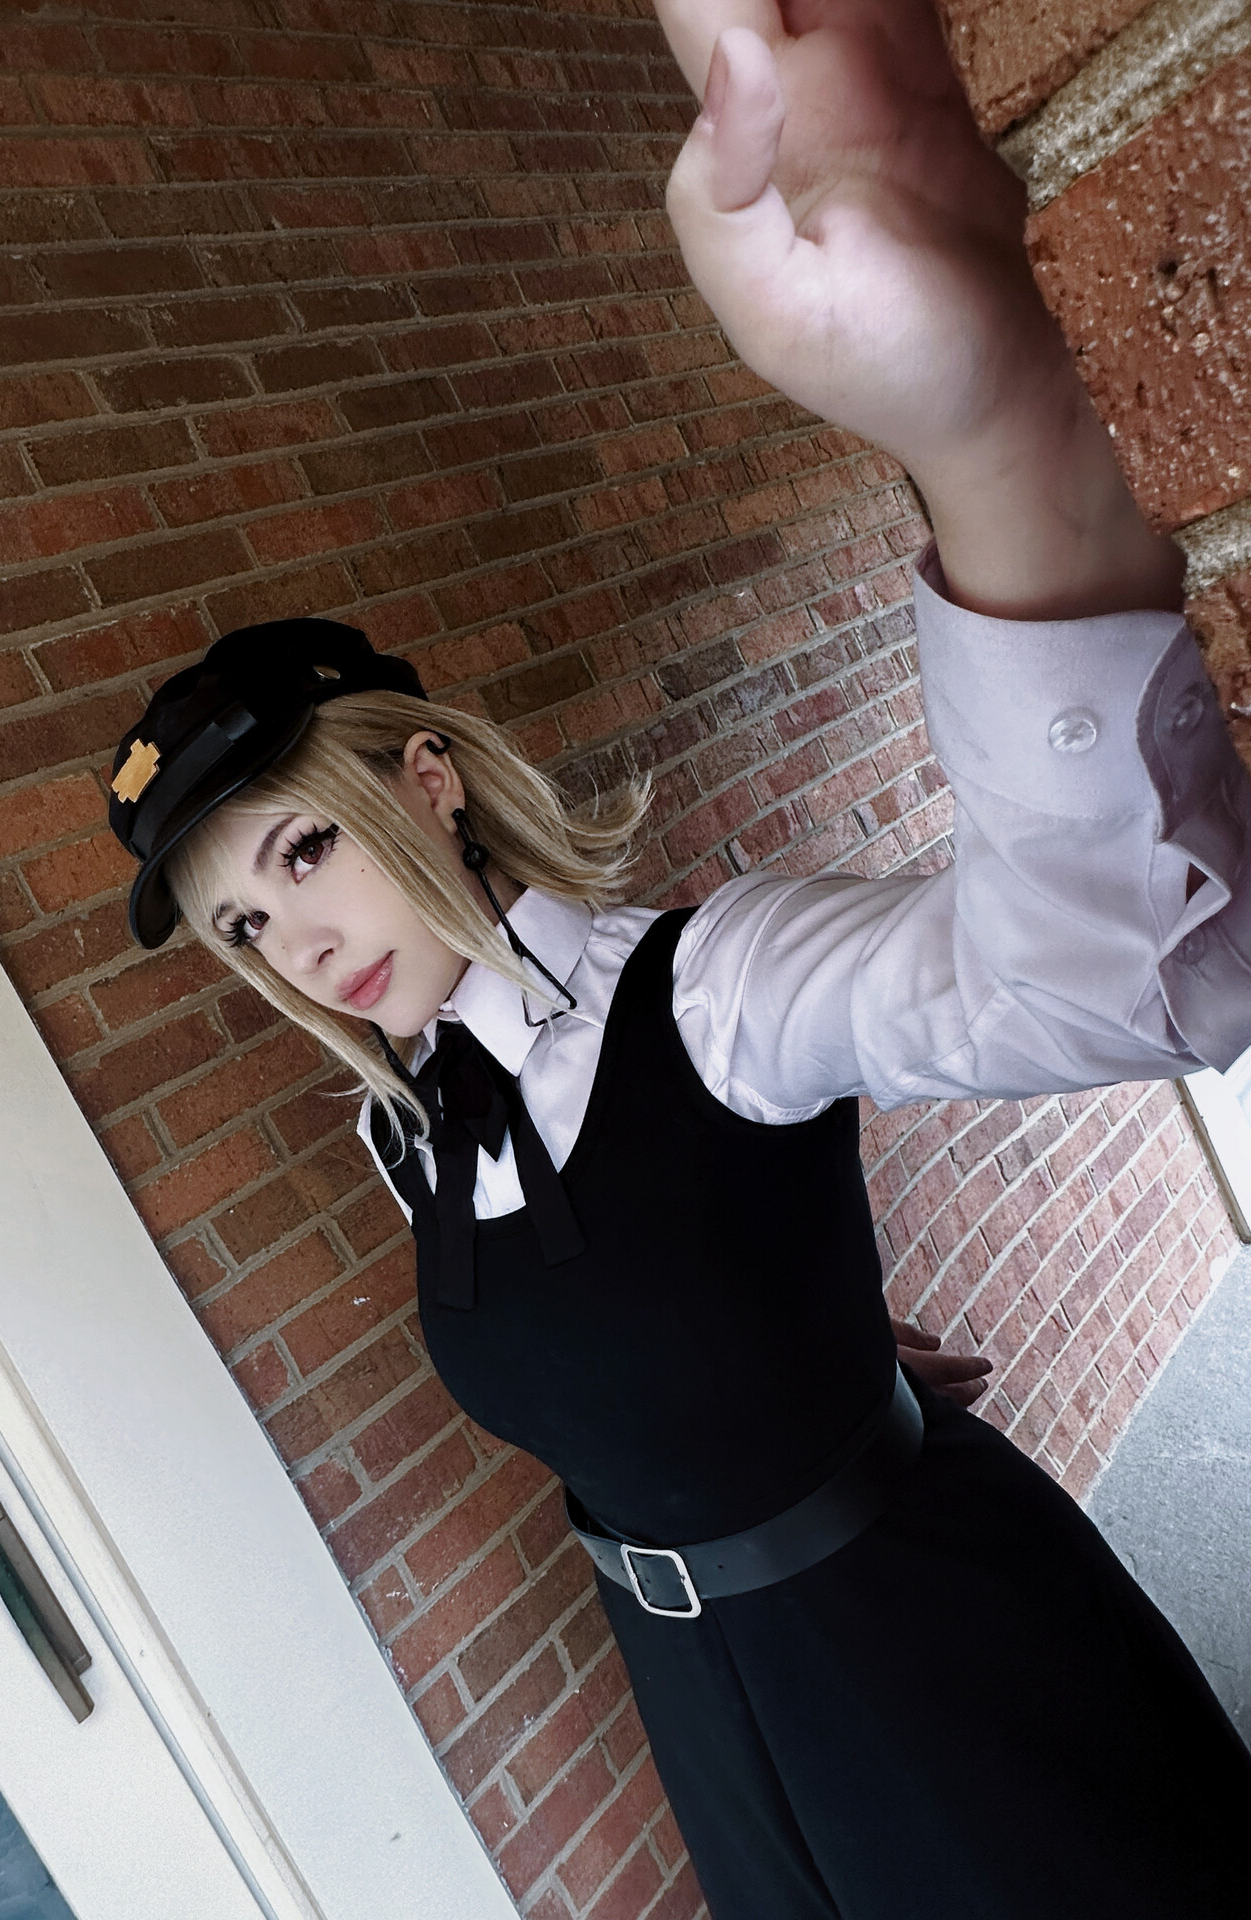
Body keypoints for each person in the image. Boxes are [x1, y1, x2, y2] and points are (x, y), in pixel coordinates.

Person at [105, 1, 1251, 1913]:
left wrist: (987, 432)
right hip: (705, 1702)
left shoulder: (711, 992)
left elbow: (1134, 980)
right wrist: (771, 1346)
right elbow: (631, 1333)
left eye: (305, 850)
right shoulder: (408, 1129)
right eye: (246, 926)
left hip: (922, 1653)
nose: (299, 942)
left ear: (427, 782)